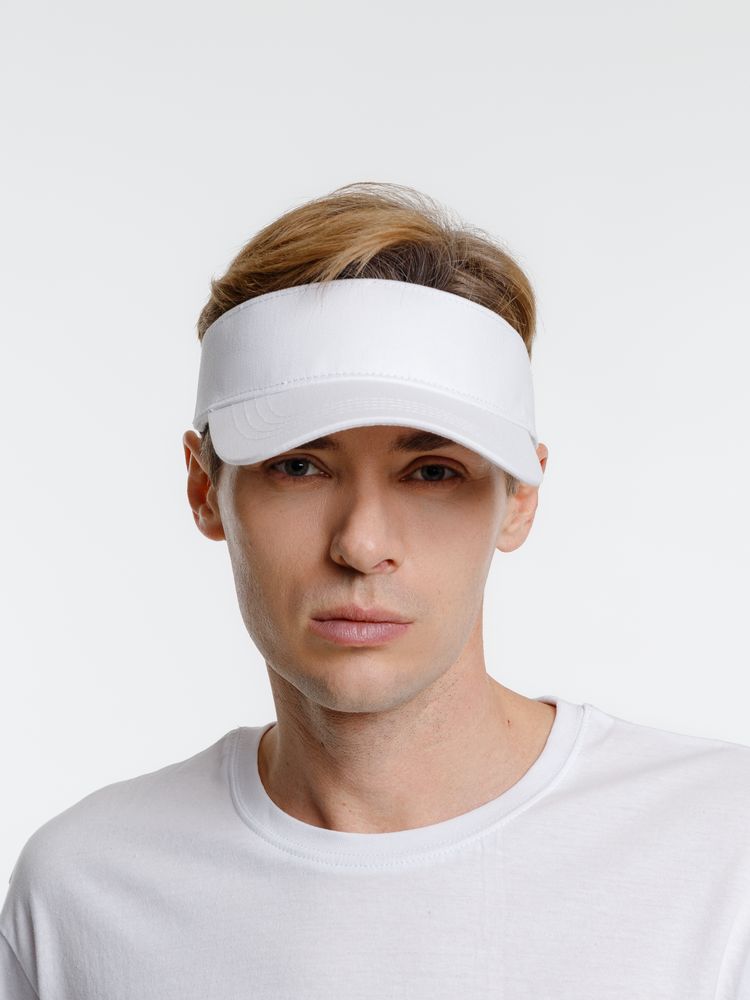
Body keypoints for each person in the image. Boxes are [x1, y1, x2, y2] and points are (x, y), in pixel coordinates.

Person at [1, 182, 748, 999]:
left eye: (432, 472)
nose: (360, 545)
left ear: (520, 499)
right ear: (204, 488)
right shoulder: (85, 891)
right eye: (298, 465)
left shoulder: (720, 852)